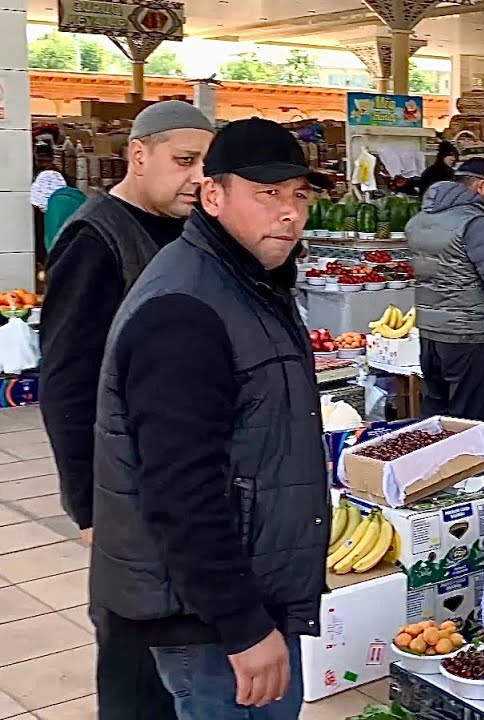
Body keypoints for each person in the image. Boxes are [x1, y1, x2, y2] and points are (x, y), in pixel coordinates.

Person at [89, 117, 331, 719]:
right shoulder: (186, 309)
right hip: (210, 623)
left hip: (246, 594)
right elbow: (180, 490)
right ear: (215, 195)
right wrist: (243, 626)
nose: (290, 213)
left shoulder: (247, 283)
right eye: (267, 193)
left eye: (299, 195)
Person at [39, 99, 215, 720]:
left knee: (182, 648)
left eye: (207, 164)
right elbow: (64, 379)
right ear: (138, 157)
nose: (198, 177)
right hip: (125, 492)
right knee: (136, 652)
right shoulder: (97, 238)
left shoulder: (190, 230)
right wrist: (88, 505)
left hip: (180, 481)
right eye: (184, 161)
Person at [407, 157, 484, 422]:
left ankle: (432, 463)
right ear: (481, 186)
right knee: (470, 422)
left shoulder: (419, 221)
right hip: (466, 335)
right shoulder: (474, 223)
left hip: (430, 334)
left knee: (435, 417)